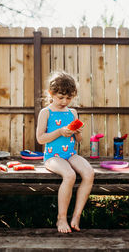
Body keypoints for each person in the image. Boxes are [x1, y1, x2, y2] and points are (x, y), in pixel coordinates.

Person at [36, 71, 94, 233]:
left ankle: (76, 216)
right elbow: (41, 139)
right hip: (52, 157)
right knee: (69, 175)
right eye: (61, 97)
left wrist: (78, 132)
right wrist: (60, 132)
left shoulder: (72, 113)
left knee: (89, 173)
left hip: (70, 154)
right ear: (51, 94)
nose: (65, 101)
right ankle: (61, 218)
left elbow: (79, 141)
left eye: (68, 98)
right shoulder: (46, 113)